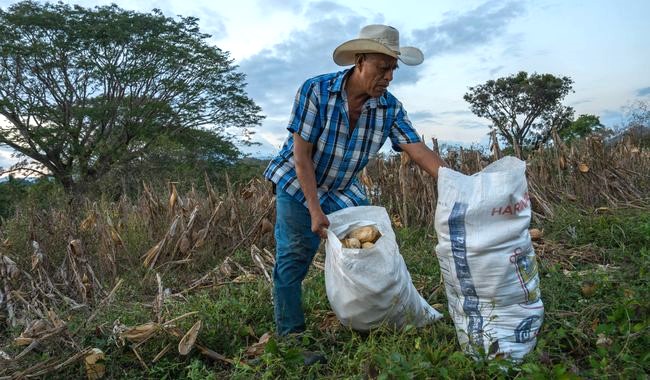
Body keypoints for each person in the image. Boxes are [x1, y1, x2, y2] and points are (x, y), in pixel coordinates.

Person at [263, 24, 447, 338]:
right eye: (382, 68)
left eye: (393, 70)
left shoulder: (389, 107)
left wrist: (460, 185)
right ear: (360, 61)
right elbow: (301, 157)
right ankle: (291, 337)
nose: (388, 77)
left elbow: (416, 150)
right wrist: (314, 210)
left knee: (366, 251)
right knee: (293, 259)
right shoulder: (316, 91)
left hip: (343, 189)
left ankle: (369, 316)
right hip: (298, 184)